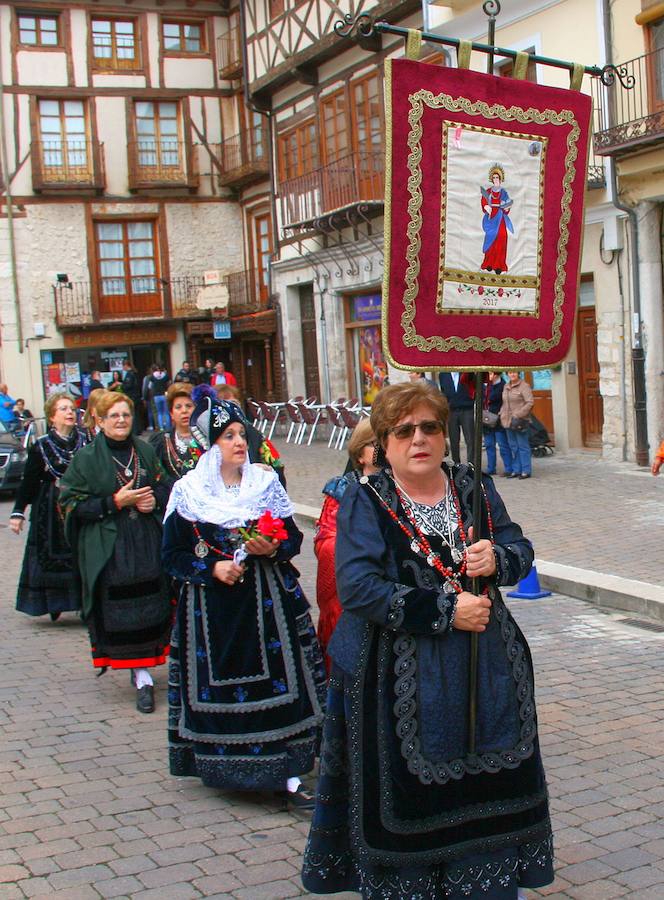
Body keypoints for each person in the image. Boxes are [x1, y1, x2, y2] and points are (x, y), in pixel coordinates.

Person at [302, 381, 553, 900]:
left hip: (487, 668)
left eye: (430, 426)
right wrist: (444, 610)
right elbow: (358, 588)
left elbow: (519, 546)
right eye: (404, 429)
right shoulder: (365, 501)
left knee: (486, 784)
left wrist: (498, 559)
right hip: (397, 677)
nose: (419, 437)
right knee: (413, 792)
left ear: (444, 432)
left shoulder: (475, 486)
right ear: (385, 441)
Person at [162, 394, 326, 807]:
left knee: (282, 682)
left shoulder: (264, 483)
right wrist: (211, 570)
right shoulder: (189, 492)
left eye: (242, 434)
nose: (239, 442)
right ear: (210, 444)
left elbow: (292, 537)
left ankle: (288, 772)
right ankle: (227, 764)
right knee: (222, 684)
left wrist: (271, 547)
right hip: (211, 612)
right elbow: (172, 556)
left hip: (267, 603)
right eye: (228, 436)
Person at [59, 392, 172, 714]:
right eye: (114, 416)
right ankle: (141, 677)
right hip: (111, 546)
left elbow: (166, 485)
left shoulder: (146, 450)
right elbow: (70, 504)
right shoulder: (86, 458)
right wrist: (113, 503)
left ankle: (148, 666)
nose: (121, 420)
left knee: (153, 601)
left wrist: (155, 501)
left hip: (147, 539)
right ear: (100, 420)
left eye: (125, 414)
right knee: (122, 607)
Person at [9, 393, 88, 621]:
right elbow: (29, 482)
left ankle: (83, 602)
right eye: (63, 409)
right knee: (51, 555)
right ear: (52, 416)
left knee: (80, 554)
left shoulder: (85, 440)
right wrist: (18, 513)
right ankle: (54, 602)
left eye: (72, 408)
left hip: (79, 504)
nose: (70, 412)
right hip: (49, 509)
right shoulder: (41, 446)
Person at [314, 418, 378, 673]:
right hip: (355, 583)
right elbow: (325, 541)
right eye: (375, 444)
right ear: (360, 454)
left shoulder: (406, 485)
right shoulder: (343, 489)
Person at [215, 383, 285, 485]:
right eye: (225, 405)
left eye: (235, 404)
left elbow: (277, 468)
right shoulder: (207, 440)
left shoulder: (255, 435)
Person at [149, 383, 202, 488]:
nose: (184, 411)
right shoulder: (160, 440)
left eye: (189, 406)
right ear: (171, 413)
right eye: (178, 407)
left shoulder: (207, 438)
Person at [500, 372, 534, 480]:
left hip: (520, 421)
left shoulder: (524, 386)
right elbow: (504, 403)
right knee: (513, 446)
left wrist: (518, 414)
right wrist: (501, 414)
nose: (512, 374)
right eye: (510, 372)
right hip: (507, 421)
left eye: (514, 372)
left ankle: (526, 470)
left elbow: (530, 402)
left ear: (518, 374)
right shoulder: (506, 386)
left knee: (522, 446)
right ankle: (516, 470)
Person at [481, 164, 513, 274]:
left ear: (500, 179)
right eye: (493, 177)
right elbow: (484, 200)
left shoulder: (503, 192)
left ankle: (499, 265)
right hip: (491, 218)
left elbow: (507, 204)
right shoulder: (488, 191)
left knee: (501, 239)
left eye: (497, 177)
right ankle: (488, 263)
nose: (495, 179)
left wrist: (506, 206)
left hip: (500, 219)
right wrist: (486, 206)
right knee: (490, 240)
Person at [438, 371, 475, 464]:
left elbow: (474, 388)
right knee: (454, 440)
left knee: (470, 439)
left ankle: (471, 464)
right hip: (451, 411)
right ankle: (456, 463)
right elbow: (443, 392)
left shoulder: (467, 373)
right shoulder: (443, 375)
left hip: (467, 409)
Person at [483, 372, 512, 477]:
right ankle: (491, 468)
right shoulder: (485, 386)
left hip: (499, 419)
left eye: (490, 373)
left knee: (503, 445)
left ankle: (509, 468)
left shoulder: (503, 386)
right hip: (486, 420)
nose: (488, 376)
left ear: (496, 375)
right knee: (489, 445)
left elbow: (494, 398)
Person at [149, 365, 171, 430]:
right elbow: (169, 384)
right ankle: (168, 427)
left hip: (156, 396)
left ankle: (161, 427)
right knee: (166, 412)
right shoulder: (165, 376)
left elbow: (149, 386)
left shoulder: (152, 377)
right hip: (164, 395)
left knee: (159, 413)